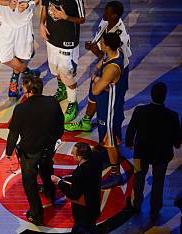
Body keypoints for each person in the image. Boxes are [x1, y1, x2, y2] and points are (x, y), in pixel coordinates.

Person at [5, 75, 63, 226]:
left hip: (30, 152)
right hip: (48, 149)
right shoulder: (53, 102)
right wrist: (53, 142)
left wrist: (9, 151)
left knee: (29, 182)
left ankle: (36, 215)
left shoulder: (21, 109)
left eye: (24, 88)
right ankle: (50, 192)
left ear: (29, 91)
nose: (23, 91)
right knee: (46, 169)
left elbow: (13, 134)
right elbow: (60, 126)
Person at [65, 1, 131, 132]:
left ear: (114, 16)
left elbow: (111, 58)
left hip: (114, 71)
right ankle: (86, 121)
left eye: (106, 11)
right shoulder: (106, 21)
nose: (103, 12)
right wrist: (93, 47)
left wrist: (94, 50)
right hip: (104, 64)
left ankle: (112, 133)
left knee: (112, 104)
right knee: (93, 95)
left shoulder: (120, 37)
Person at [125, 82, 181, 220]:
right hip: (162, 154)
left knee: (138, 179)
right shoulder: (172, 116)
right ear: (165, 96)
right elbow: (177, 141)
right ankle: (155, 208)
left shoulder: (140, 111)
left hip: (142, 152)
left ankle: (136, 205)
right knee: (158, 182)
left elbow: (131, 129)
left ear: (151, 95)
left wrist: (129, 143)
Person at [84, 32, 126, 189]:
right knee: (108, 136)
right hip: (105, 101)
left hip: (110, 106)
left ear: (107, 45)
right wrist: (98, 73)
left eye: (102, 42)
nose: (100, 44)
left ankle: (116, 174)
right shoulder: (113, 52)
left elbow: (95, 91)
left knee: (110, 140)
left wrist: (95, 79)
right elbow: (99, 64)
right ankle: (108, 157)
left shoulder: (112, 68)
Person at [40, 0, 86, 122]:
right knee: (55, 70)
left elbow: (82, 19)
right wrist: (41, 24)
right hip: (51, 38)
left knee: (67, 75)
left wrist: (66, 17)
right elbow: (45, 7)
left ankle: (72, 102)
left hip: (68, 42)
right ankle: (62, 91)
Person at [0, 0, 41, 99]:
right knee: (4, 58)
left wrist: (28, 4)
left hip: (24, 26)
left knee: (21, 57)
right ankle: (27, 72)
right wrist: (7, 3)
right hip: (5, 25)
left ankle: (14, 80)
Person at [51, 142, 101, 234]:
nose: (71, 154)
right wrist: (66, 178)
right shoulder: (94, 159)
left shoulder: (81, 173)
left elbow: (74, 195)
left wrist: (59, 182)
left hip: (84, 209)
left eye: (73, 153)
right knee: (90, 227)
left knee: (82, 230)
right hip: (94, 202)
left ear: (80, 157)